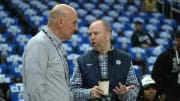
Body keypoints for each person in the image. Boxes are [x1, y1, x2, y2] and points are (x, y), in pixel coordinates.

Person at [70, 20, 139, 101]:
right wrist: (89, 93)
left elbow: (134, 88)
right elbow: (72, 90)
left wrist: (125, 94)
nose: (92, 37)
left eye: (95, 33)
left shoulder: (125, 58)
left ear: (108, 36)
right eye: (90, 34)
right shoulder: (82, 60)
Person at [22, 4, 78, 101]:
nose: (76, 28)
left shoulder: (55, 44)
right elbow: (34, 91)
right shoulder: (39, 44)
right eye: (73, 23)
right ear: (60, 22)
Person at [152, 31, 180, 101]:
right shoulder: (165, 55)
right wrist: (161, 92)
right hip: (169, 94)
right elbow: (155, 75)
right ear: (176, 39)